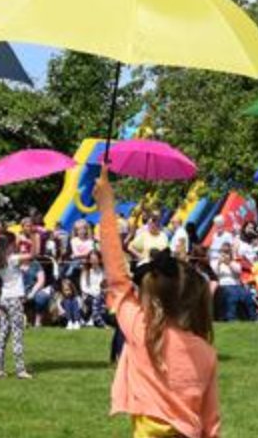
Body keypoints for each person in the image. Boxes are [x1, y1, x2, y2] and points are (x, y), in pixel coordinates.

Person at [94, 173, 219, 437]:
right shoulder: (206, 353)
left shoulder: (142, 331)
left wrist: (106, 208)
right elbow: (211, 422)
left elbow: (117, 277)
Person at [0, 242, 35, 379]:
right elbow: (33, 254)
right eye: (12, 244)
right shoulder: (12, 258)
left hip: (4, 298)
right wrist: (32, 239)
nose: (14, 246)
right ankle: (20, 370)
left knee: (3, 333)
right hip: (14, 299)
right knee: (17, 334)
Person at [82, 250, 107, 327]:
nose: (94, 261)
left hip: (101, 294)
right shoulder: (86, 272)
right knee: (95, 300)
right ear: (89, 260)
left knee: (99, 299)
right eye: (92, 259)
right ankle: (93, 319)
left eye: (95, 259)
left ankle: (93, 319)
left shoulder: (104, 272)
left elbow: (105, 285)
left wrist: (100, 292)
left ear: (99, 260)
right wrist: (94, 293)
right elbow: (84, 287)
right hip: (89, 295)